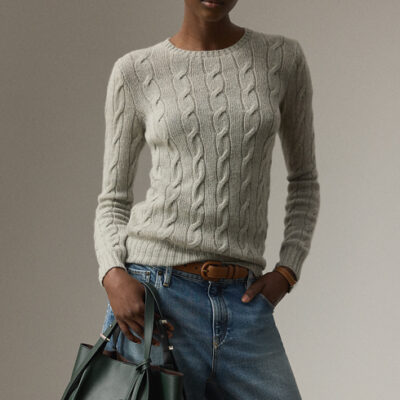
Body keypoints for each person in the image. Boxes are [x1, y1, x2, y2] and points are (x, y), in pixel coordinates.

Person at [93, 0, 320, 398]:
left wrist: (288, 271)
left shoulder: (282, 59)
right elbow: (112, 200)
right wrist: (112, 273)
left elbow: (304, 181)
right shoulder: (135, 71)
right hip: (156, 298)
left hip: (244, 304)